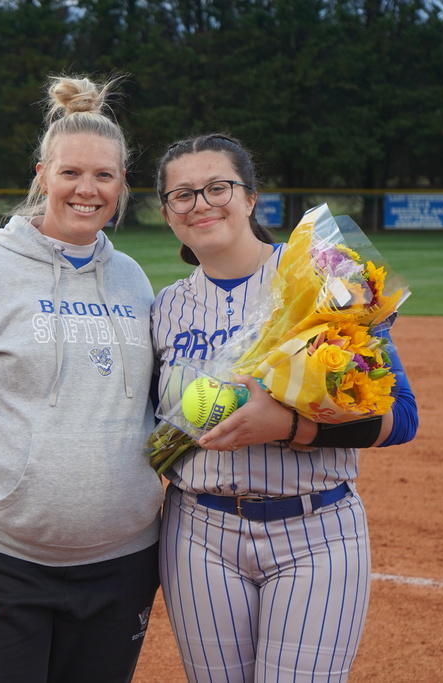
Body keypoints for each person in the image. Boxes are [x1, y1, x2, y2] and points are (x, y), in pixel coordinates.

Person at [0, 74, 164, 683]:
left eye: (105, 175)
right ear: (43, 173)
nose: (87, 189)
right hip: (3, 567)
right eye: (71, 172)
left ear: (123, 185)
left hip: (123, 565)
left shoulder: (133, 281)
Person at [151, 133, 419, 682]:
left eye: (217, 187)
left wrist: (292, 425)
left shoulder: (327, 278)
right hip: (197, 535)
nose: (201, 203)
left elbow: (402, 418)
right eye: (183, 195)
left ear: (251, 198)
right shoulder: (163, 308)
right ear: (168, 214)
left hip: (316, 530)